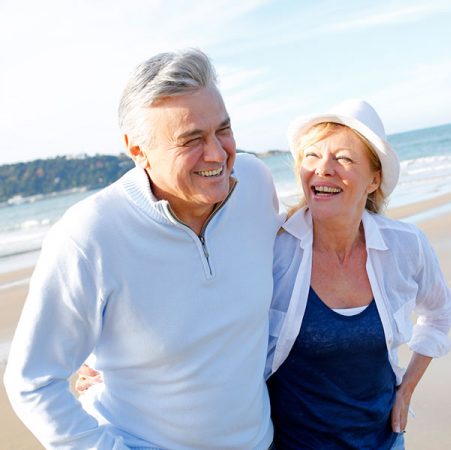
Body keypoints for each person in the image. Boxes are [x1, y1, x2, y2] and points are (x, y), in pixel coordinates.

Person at [4, 49, 282, 449]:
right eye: (191, 140)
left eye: (223, 129)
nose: (218, 154)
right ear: (138, 152)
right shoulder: (89, 236)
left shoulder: (255, 181)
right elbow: (31, 382)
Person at [265, 99, 451, 449]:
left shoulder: (405, 245)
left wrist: (407, 389)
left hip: (384, 442)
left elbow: (439, 312)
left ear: (373, 180)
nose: (323, 169)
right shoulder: (272, 248)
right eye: (312, 156)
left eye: (344, 159)